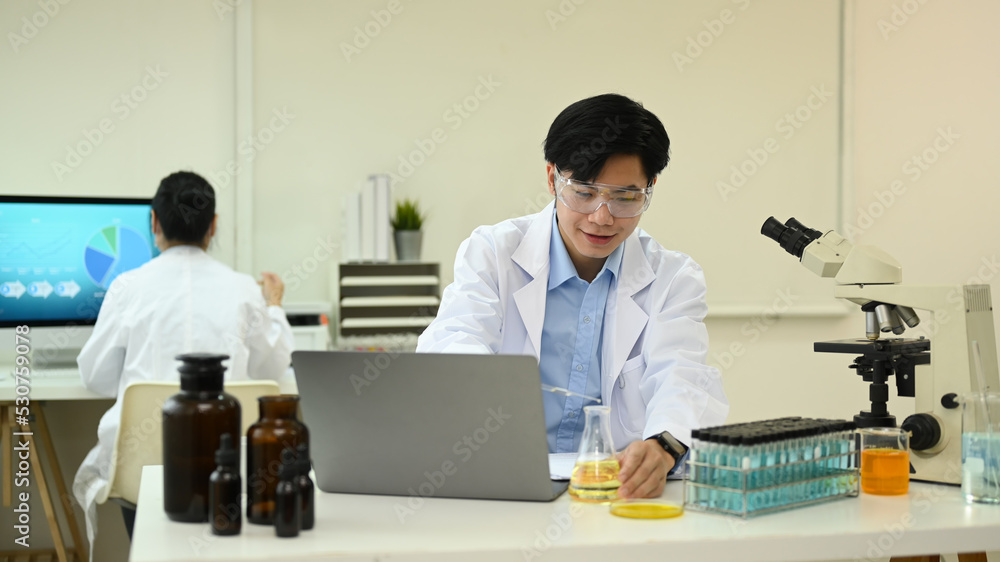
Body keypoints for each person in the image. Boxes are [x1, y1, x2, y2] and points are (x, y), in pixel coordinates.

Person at [417, 94, 729, 499]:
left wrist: (663, 446)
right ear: (552, 179)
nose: (602, 217)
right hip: (505, 482)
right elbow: (456, 346)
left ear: (649, 189)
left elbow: (681, 375)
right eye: (584, 192)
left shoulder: (673, 278)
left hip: (614, 489)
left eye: (625, 197)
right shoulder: (493, 253)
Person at [73, 171, 294, 546]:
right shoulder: (244, 289)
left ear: (154, 222)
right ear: (213, 226)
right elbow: (272, 370)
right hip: (228, 470)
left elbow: (94, 376)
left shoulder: (127, 286)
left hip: (141, 473)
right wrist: (274, 306)